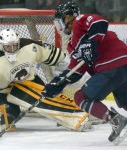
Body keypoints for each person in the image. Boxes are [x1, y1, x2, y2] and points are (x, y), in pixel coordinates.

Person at [41, 1, 127, 144]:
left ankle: (115, 119)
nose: (59, 27)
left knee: (81, 97)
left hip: (110, 66)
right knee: (125, 101)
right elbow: (75, 71)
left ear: (67, 17)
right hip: (122, 66)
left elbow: (100, 22)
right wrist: (58, 83)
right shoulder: (72, 45)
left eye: (59, 22)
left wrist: (91, 42)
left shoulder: (79, 22)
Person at [0, 28, 90, 134]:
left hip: (29, 84)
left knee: (48, 99)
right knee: (3, 123)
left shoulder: (29, 46)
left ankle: (78, 116)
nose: (12, 49)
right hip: (2, 92)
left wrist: (73, 68)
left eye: (14, 45)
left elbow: (55, 55)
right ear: (1, 46)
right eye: (8, 47)